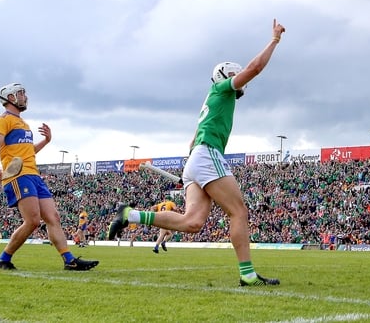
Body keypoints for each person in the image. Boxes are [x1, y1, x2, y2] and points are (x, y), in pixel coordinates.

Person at [109, 20, 285, 286]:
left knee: (192, 222)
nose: (241, 83)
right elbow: (255, 68)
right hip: (207, 156)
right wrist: (274, 40)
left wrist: (190, 173)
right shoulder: (221, 90)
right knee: (238, 212)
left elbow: (192, 140)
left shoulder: (212, 100)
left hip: (196, 159)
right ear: (225, 76)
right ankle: (247, 274)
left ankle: (130, 215)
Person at [0, 82, 99, 271]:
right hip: (18, 175)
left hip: (34, 175)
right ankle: (2, 259)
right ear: (10, 98)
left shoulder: (23, 124)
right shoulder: (3, 120)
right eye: (21, 93)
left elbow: (28, 152)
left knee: (53, 217)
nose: (25, 97)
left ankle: (69, 260)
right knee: (32, 221)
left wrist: (46, 141)